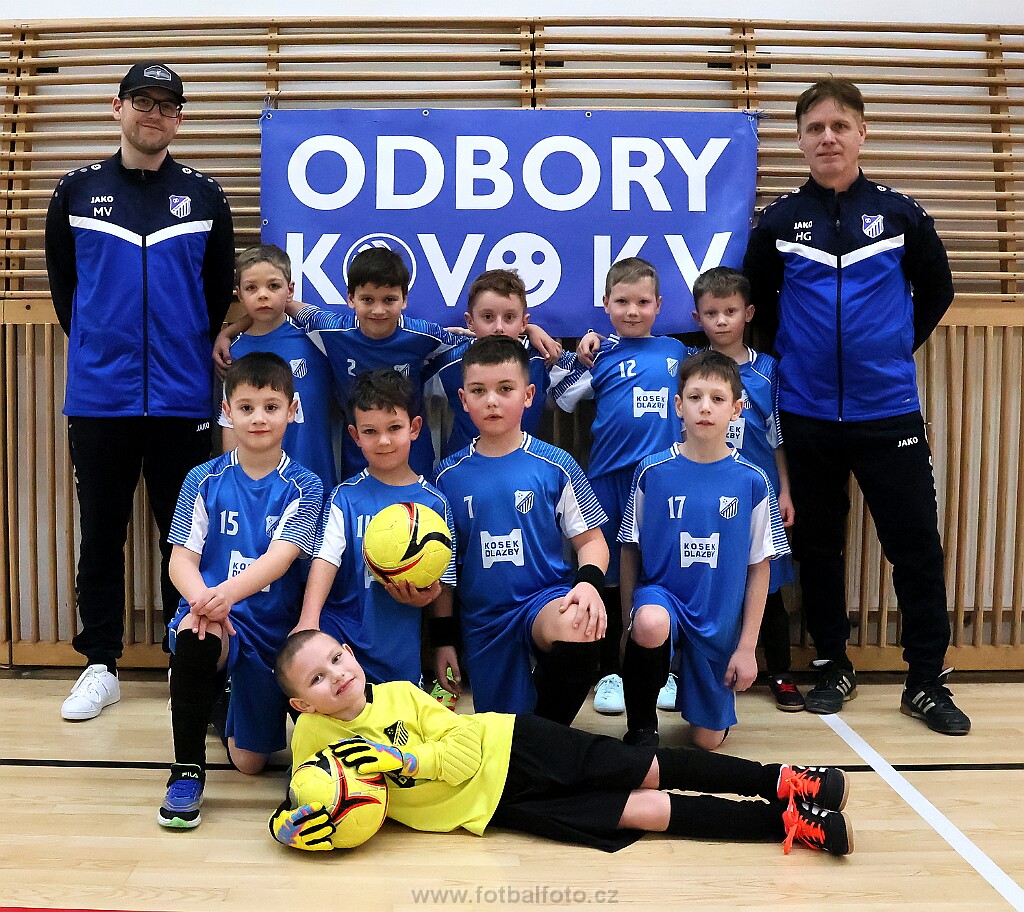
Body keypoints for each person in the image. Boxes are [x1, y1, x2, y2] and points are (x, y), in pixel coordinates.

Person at [742, 78, 970, 735]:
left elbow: (937, 290)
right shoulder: (779, 222)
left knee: (916, 547)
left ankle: (925, 680)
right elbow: (758, 306)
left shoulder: (900, 215)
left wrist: (891, 349)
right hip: (807, 415)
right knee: (818, 548)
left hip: (888, 412)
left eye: (840, 126)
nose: (828, 138)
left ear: (862, 133)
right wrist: (799, 358)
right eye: (815, 128)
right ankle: (832, 664)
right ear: (799, 140)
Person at [270, 629, 854, 856]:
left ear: (351, 653)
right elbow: (303, 795)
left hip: (513, 745)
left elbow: (462, 754)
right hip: (494, 809)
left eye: (337, 658)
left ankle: (781, 779)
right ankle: (788, 824)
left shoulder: (401, 695)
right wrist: (286, 828)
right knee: (642, 812)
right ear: (302, 707)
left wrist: (403, 758)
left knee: (646, 768)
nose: (336, 675)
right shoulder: (316, 739)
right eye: (316, 679)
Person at [44, 61, 235, 721]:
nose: (154, 114)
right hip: (101, 399)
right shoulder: (76, 191)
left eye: (167, 105)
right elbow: (67, 293)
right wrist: (103, 349)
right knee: (101, 534)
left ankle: (186, 655)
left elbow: (215, 292)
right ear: (117, 107)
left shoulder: (205, 196)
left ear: (179, 120)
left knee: (182, 539)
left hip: (183, 398)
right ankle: (100, 664)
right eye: (143, 101)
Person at [215, 247, 562, 478]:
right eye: (367, 299)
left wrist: (529, 329)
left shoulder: (425, 335)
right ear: (350, 299)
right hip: (357, 462)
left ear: (405, 300)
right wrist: (231, 330)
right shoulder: (331, 329)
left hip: (414, 462)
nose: (378, 309)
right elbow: (284, 305)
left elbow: (484, 342)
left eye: (389, 299)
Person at [159, 352, 323, 829]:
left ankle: (219, 703)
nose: (258, 418)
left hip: (272, 628)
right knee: (195, 636)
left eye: (271, 407)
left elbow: (280, 559)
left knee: (250, 763)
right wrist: (203, 603)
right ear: (227, 411)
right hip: (213, 618)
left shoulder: (305, 484)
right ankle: (186, 771)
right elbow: (180, 560)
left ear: (292, 410)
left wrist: (223, 596)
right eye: (246, 408)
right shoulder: (203, 478)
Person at [618, 351, 791, 750]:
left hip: (717, 623)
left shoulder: (754, 480)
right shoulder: (651, 471)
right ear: (678, 405)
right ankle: (641, 728)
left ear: (737, 409)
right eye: (695, 397)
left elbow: (759, 566)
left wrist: (747, 648)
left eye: (717, 398)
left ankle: (697, 694)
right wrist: (628, 622)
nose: (705, 408)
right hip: (663, 600)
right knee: (650, 623)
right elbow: (630, 549)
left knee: (707, 742)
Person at [432, 336, 609, 724]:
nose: (492, 401)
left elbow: (592, 540)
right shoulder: (446, 476)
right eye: (479, 391)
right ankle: (530, 739)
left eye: (505, 389)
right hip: (484, 620)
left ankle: (548, 733)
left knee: (579, 623)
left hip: (543, 601)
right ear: (463, 399)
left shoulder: (556, 464)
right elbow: (444, 572)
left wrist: (588, 585)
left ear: (529, 395)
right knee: (502, 735)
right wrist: (443, 640)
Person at [553, 258, 689, 717]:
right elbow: (561, 398)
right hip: (607, 482)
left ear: (659, 305)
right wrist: (579, 352)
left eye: (643, 302)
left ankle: (661, 671)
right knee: (607, 577)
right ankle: (611, 671)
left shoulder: (677, 352)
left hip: (661, 484)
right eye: (622, 302)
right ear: (606, 304)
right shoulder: (601, 354)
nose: (633, 311)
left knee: (659, 575)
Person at [294, 368, 457, 687]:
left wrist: (442, 641)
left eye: (394, 428)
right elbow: (325, 559)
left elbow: (443, 585)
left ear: (414, 428)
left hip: (398, 654)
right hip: (340, 640)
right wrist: (308, 622)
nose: (383, 441)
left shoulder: (435, 503)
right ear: (355, 436)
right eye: (370, 431)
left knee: (395, 718)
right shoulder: (345, 498)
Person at [690, 267, 801, 711]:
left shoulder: (767, 370)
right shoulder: (689, 366)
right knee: (703, 581)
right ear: (697, 317)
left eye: (730, 311)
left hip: (757, 497)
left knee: (767, 585)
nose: (721, 321)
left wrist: (784, 491)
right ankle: (689, 671)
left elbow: (777, 438)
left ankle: (781, 672)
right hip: (703, 496)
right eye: (711, 312)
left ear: (748, 313)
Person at [219, 244, 337, 490]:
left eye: (273, 286)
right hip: (260, 491)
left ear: (290, 290)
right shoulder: (234, 352)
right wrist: (234, 483)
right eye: (251, 288)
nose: (263, 295)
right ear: (239, 294)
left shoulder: (316, 340)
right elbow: (230, 424)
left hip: (315, 483)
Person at [423, 268, 572, 457]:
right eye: (488, 317)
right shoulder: (450, 362)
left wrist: (592, 339)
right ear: (470, 321)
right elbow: (407, 369)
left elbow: (592, 368)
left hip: (526, 468)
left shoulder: (541, 357)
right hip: (463, 469)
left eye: (509, 317)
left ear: (523, 322)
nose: (499, 327)